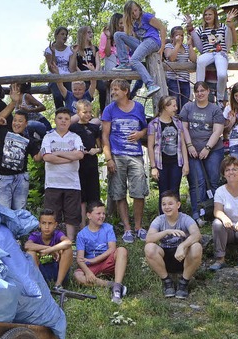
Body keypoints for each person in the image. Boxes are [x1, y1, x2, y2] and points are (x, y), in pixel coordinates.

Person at [102, 79, 149, 243]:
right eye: (112, 90)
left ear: (125, 91)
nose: (113, 92)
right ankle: (127, 228)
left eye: (116, 89)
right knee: (119, 192)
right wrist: (108, 159)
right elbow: (104, 136)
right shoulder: (109, 110)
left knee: (138, 192)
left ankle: (138, 227)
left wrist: (140, 135)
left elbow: (145, 128)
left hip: (135, 155)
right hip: (117, 155)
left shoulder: (138, 107)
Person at [181, 81, 225, 226]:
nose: (200, 93)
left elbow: (218, 131)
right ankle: (197, 213)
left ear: (208, 92)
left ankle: (213, 211)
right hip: (192, 149)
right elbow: (184, 128)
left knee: (213, 180)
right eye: (197, 91)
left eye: (202, 90)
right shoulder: (188, 107)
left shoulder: (215, 109)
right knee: (197, 182)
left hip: (213, 149)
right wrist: (189, 146)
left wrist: (207, 148)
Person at [145, 191, 202, 299]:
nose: (167, 207)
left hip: (183, 257)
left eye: (170, 204)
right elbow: (149, 238)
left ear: (178, 205)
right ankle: (167, 282)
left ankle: (183, 283)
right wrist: (166, 232)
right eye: (164, 204)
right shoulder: (159, 220)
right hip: (165, 257)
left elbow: (197, 235)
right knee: (149, 248)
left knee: (196, 247)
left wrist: (182, 246)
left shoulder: (185, 218)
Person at [0, 110, 41, 210]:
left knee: (20, 211)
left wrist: (47, 146)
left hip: (21, 178)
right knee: (4, 211)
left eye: (20, 121)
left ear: (26, 123)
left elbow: (37, 158)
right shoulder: (4, 132)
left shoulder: (29, 140)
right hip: (2, 178)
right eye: (15, 120)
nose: (16, 123)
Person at [41, 107, 84, 239]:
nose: (63, 121)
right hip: (53, 184)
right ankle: (53, 241)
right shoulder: (48, 137)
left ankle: (70, 242)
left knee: (71, 215)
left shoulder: (75, 137)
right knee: (52, 216)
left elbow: (80, 154)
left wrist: (58, 153)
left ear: (70, 121)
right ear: (55, 120)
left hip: (72, 184)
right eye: (60, 118)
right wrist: (69, 158)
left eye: (66, 119)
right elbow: (47, 157)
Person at [74, 201, 129, 304]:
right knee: (78, 276)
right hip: (91, 266)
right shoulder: (82, 234)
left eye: (103, 213)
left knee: (121, 250)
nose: (102, 216)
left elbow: (112, 249)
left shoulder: (108, 228)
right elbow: (80, 259)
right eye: (98, 213)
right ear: (89, 215)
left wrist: (94, 260)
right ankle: (111, 285)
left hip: (107, 261)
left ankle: (116, 291)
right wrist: (88, 272)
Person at [113, 0, 167, 97]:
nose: (135, 14)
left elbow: (162, 28)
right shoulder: (133, 22)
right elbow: (130, 36)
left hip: (152, 41)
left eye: (136, 10)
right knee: (118, 35)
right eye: (132, 13)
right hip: (142, 43)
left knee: (134, 60)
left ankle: (151, 84)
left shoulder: (146, 16)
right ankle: (124, 63)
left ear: (139, 8)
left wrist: (162, 47)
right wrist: (127, 21)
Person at [186, 7, 238, 105]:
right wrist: (189, 26)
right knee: (200, 61)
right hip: (207, 53)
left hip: (220, 53)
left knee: (222, 75)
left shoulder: (223, 26)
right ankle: (199, 90)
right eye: (205, 15)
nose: (207, 17)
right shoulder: (201, 29)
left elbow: (232, 40)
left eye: (210, 14)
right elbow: (195, 42)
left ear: (215, 15)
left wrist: (230, 24)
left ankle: (220, 98)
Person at [147, 96, 189, 213]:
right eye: (173, 106)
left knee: (175, 191)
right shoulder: (154, 124)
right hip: (161, 163)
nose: (176, 108)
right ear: (165, 107)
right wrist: (153, 167)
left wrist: (186, 164)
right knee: (163, 191)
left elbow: (182, 145)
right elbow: (150, 146)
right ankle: (163, 219)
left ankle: (176, 218)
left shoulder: (178, 123)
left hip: (176, 162)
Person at [69, 100, 102, 228]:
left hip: (92, 166)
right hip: (78, 167)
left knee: (93, 198)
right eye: (84, 112)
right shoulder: (73, 128)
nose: (88, 115)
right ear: (78, 112)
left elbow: (100, 146)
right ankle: (83, 227)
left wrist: (97, 150)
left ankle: (94, 225)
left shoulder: (94, 128)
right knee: (81, 198)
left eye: (90, 112)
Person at [24, 209, 73, 290]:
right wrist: (49, 248)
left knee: (68, 249)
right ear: (39, 224)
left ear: (55, 225)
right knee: (30, 252)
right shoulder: (35, 236)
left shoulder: (57, 234)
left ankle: (58, 285)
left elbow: (68, 242)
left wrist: (48, 251)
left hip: (58, 271)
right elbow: (27, 245)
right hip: (42, 272)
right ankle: (39, 285)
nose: (47, 227)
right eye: (44, 223)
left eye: (50, 223)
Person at [71, 26, 107, 111]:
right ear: (82, 34)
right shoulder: (76, 48)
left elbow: (98, 63)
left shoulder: (94, 48)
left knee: (102, 89)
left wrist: (94, 72)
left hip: (94, 73)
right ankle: (85, 112)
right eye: (89, 32)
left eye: (91, 32)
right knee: (85, 93)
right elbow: (75, 66)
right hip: (82, 75)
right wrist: (82, 75)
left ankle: (103, 112)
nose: (91, 34)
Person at [164, 26, 196, 111]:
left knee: (185, 104)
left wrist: (190, 46)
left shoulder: (185, 47)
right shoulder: (169, 46)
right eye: (177, 35)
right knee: (175, 103)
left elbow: (194, 59)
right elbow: (171, 58)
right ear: (172, 37)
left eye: (182, 35)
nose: (180, 37)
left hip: (185, 80)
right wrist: (177, 44)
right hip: (173, 80)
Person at [45, 26, 74, 109]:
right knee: (57, 95)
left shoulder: (69, 50)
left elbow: (71, 68)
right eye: (62, 34)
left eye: (66, 35)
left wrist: (74, 54)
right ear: (56, 36)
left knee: (71, 95)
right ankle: (60, 114)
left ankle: (71, 115)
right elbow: (51, 68)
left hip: (67, 77)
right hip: (54, 77)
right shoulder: (49, 50)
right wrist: (53, 53)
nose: (65, 36)